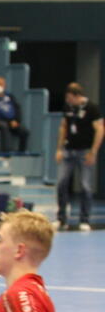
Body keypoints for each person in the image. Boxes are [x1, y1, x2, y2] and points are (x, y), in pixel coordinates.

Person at [55, 83, 102, 231]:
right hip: (69, 151)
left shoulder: (92, 108)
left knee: (85, 186)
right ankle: (61, 218)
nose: (68, 100)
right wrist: (59, 149)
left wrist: (93, 152)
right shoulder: (68, 107)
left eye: (70, 98)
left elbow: (100, 130)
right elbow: (63, 127)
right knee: (61, 182)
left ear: (77, 96)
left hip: (85, 151)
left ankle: (84, 219)